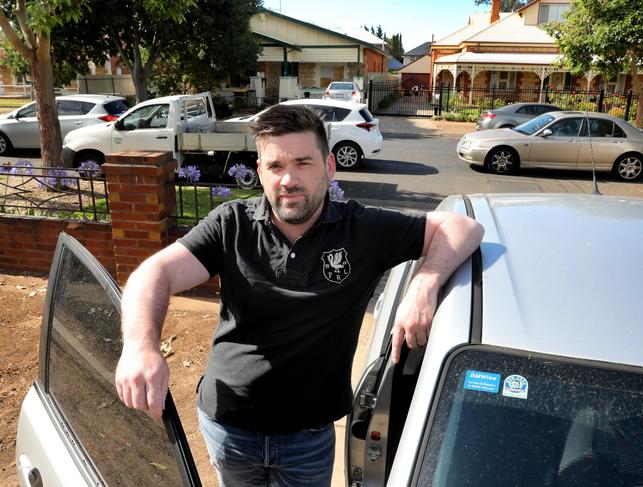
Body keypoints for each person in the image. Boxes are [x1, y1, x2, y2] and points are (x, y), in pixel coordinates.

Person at [115, 104, 484, 486]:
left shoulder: (362, 230)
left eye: (303, 163)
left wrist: (424, 283)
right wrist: (141, 346)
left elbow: (463, 226)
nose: (288, 179)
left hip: (306, 438)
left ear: (329, 167)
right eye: (275, 166)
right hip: (227, 425)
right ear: (260, 172)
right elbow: (152, 273)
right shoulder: (231, 225)